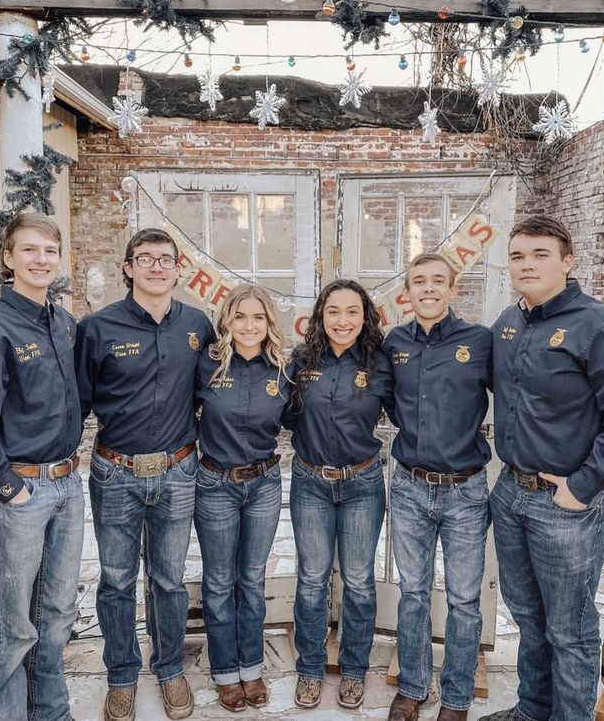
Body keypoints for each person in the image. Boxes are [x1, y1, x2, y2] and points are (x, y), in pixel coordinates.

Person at [481, 215, 604, 721]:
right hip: (512, 492)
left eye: (540, 254)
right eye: (518, 256)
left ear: (568, 261)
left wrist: (583, 486)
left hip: (569, 504)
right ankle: (533, 709)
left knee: (570, 627)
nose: (527, 264)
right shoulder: (510, 323)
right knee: (529, 618)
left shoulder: (600, 327)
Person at [0, 213, 83, 721]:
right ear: (7, 258)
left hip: (68, 486)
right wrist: (8, 488)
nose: (40, 260)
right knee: (13, 622)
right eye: (28, 251)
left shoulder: (63, 323)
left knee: (57, 615)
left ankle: (50, 710)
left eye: (49, 251)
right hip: (22, 491)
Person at [74, 228, 214, 721]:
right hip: (116, 473)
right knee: (116, 580)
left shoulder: (198, 325)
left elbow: (210, 394)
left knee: (169, 581)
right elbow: (78, 402)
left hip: (178, 471)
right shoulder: (97, 328)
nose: (156, 267)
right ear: (128, 268)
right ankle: (121, 676)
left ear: (179, 269)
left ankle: (170, 668)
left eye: (165, 259)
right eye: (145, 259)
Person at [383, 253, 492, 721]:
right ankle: (412, 688)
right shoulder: (395, 343)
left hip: (465, 491)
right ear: (407, 291)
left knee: (464, 600)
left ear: (453, 288)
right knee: (413, 593)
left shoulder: (480, 342)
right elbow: (384, 401)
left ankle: (456, 698)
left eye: (437, 281)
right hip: (409, 486)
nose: (427, 289)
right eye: (418, 282)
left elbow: (517, 396)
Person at [284, 279, 394, 711]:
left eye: (352, 311)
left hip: (362, 484)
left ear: (364, 316)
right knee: (311, 581)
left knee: (360, 583)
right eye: (333, 311)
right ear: (320, 316)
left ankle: (353, 670)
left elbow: (408, 410)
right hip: (310, 481)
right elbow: (288, 415)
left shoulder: (380, 363)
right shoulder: (301, 358)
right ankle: (310, 669)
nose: (342, 320)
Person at [193, 284, 292, 712]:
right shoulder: (206, 365)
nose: (249, 326)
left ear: (270, 323)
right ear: (227, 321)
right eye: (240, 317)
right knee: (218, 582)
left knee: (251, 581)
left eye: (258, 318)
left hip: (264, 485)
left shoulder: (283, 370)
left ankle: (251, 666)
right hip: (215, 483)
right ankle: (224, 672)